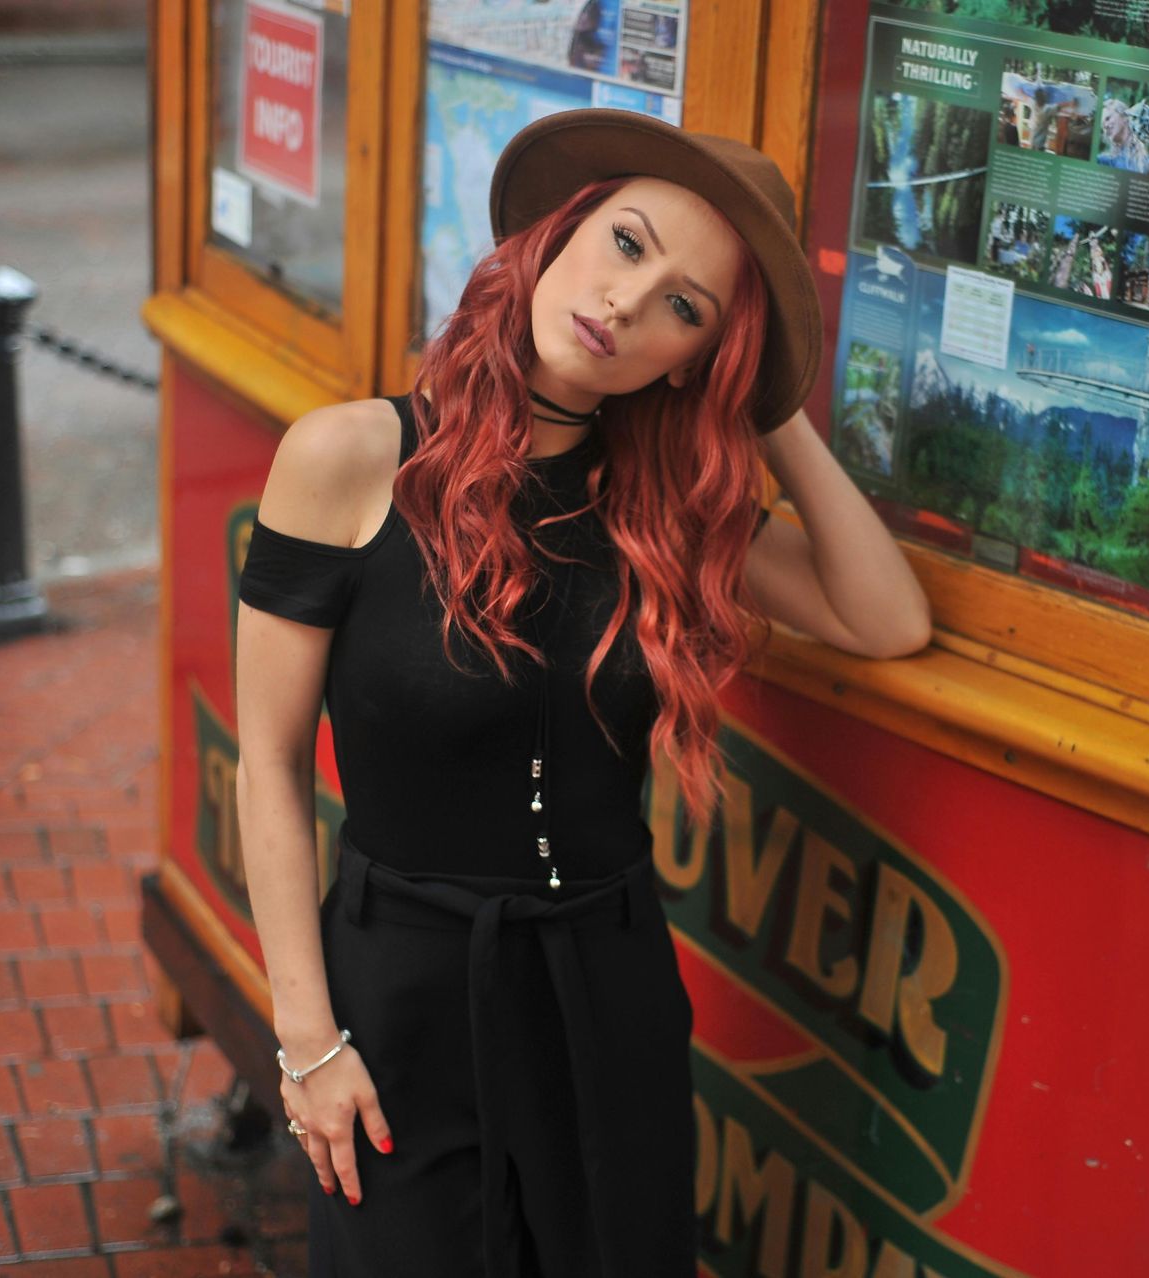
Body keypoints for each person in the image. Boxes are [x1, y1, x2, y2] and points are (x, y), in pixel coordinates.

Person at [232, 108, 930, 1278]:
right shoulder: (349, 459)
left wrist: (772, 407)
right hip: (397, 994)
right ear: (561, 232)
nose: (625, 303)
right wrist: (306, 1039)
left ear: (695, 359)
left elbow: (885, 619)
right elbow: (270, 758)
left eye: (683, 308)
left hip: (605, 995)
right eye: (626, 243)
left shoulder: (663, 506)